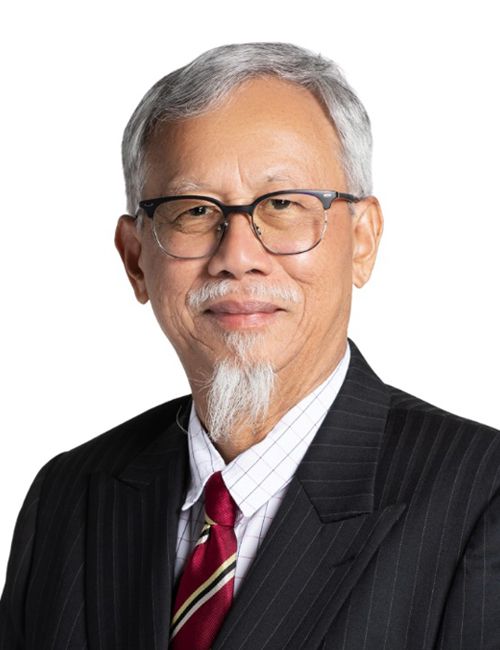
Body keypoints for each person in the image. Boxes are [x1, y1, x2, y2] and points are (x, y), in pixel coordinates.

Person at [1, 42, 499, 650]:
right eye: (193, 210)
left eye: (283, 204)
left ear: (363, 241)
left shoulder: (482, 496)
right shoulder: (67, 497)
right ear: (135, 259)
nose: (237, 256)